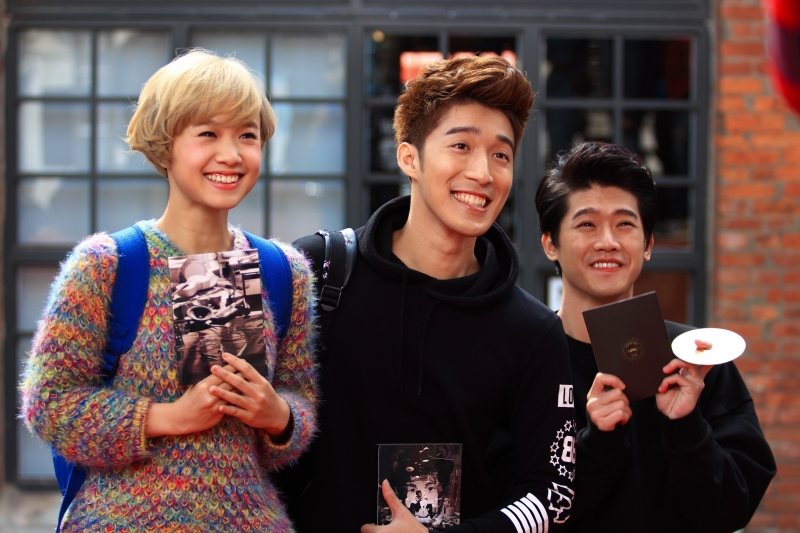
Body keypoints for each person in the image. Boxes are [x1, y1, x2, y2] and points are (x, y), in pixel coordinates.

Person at [276, 55, 577, 533]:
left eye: (501, 155)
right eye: (461, 145)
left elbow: (552, 494)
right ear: (409, 158)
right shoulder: (320, 270)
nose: (483, 173)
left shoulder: (532, 332)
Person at [20, 49, 317, 532]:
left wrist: (278, 414)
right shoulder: (108, 265)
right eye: (208, 134)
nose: (231, 154)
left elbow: (299, 407)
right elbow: (49, 404)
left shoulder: (284, 271)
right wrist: (168, 417)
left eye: (247, 135)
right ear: (164, 147)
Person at [535, 141, 776, 531]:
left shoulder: (697, 361)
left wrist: (686, 428)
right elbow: (511, 508)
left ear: (647, 244)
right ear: (550, 244)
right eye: (587, 224)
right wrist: (597, 444)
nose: (608, 241)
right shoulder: (527, 360)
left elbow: (732, 511)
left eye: (625, 224)